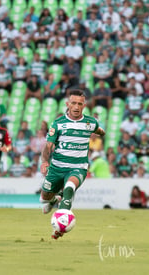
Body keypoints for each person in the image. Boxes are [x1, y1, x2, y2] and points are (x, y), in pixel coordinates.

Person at [39, 89, 105, 239]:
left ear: (84, 105)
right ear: (68, 104)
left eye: (79, 104)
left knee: (69, 187)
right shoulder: (58, 124)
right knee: (44, 197)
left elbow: (99, 130)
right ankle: (55, 199)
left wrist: (101, 132)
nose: (76, 107)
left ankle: (59, 229)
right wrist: (44, 162)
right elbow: (48, 146)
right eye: (73, 103)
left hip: (78, 167)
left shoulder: (90, 122)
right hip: (56, 167)